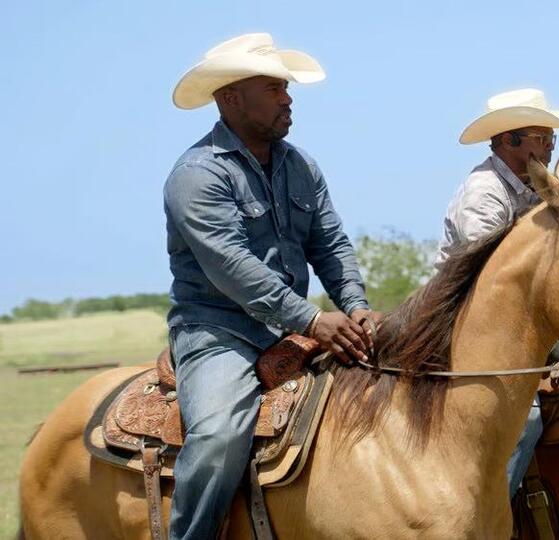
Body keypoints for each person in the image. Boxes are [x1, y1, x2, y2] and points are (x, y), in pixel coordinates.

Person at [165, 33, 378, 538]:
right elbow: (232, 266)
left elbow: (331, 245)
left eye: (286, 87)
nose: (288, 98)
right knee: (218, 437)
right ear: (230, 98)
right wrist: (311, 318)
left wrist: (357, 305)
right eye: (273, 87)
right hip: (218, 333)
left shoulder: (301, 165)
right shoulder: (197, 175)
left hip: (288, 328)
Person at [436, 88, 559, 496]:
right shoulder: (484, 192)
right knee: (525, 417)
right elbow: (494, 282)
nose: (551, 144)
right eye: (541, 136)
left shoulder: (540, 186)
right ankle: (487, 509)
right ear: (507, 140)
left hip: (521, 323)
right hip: (465, 321)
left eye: (552, 137)